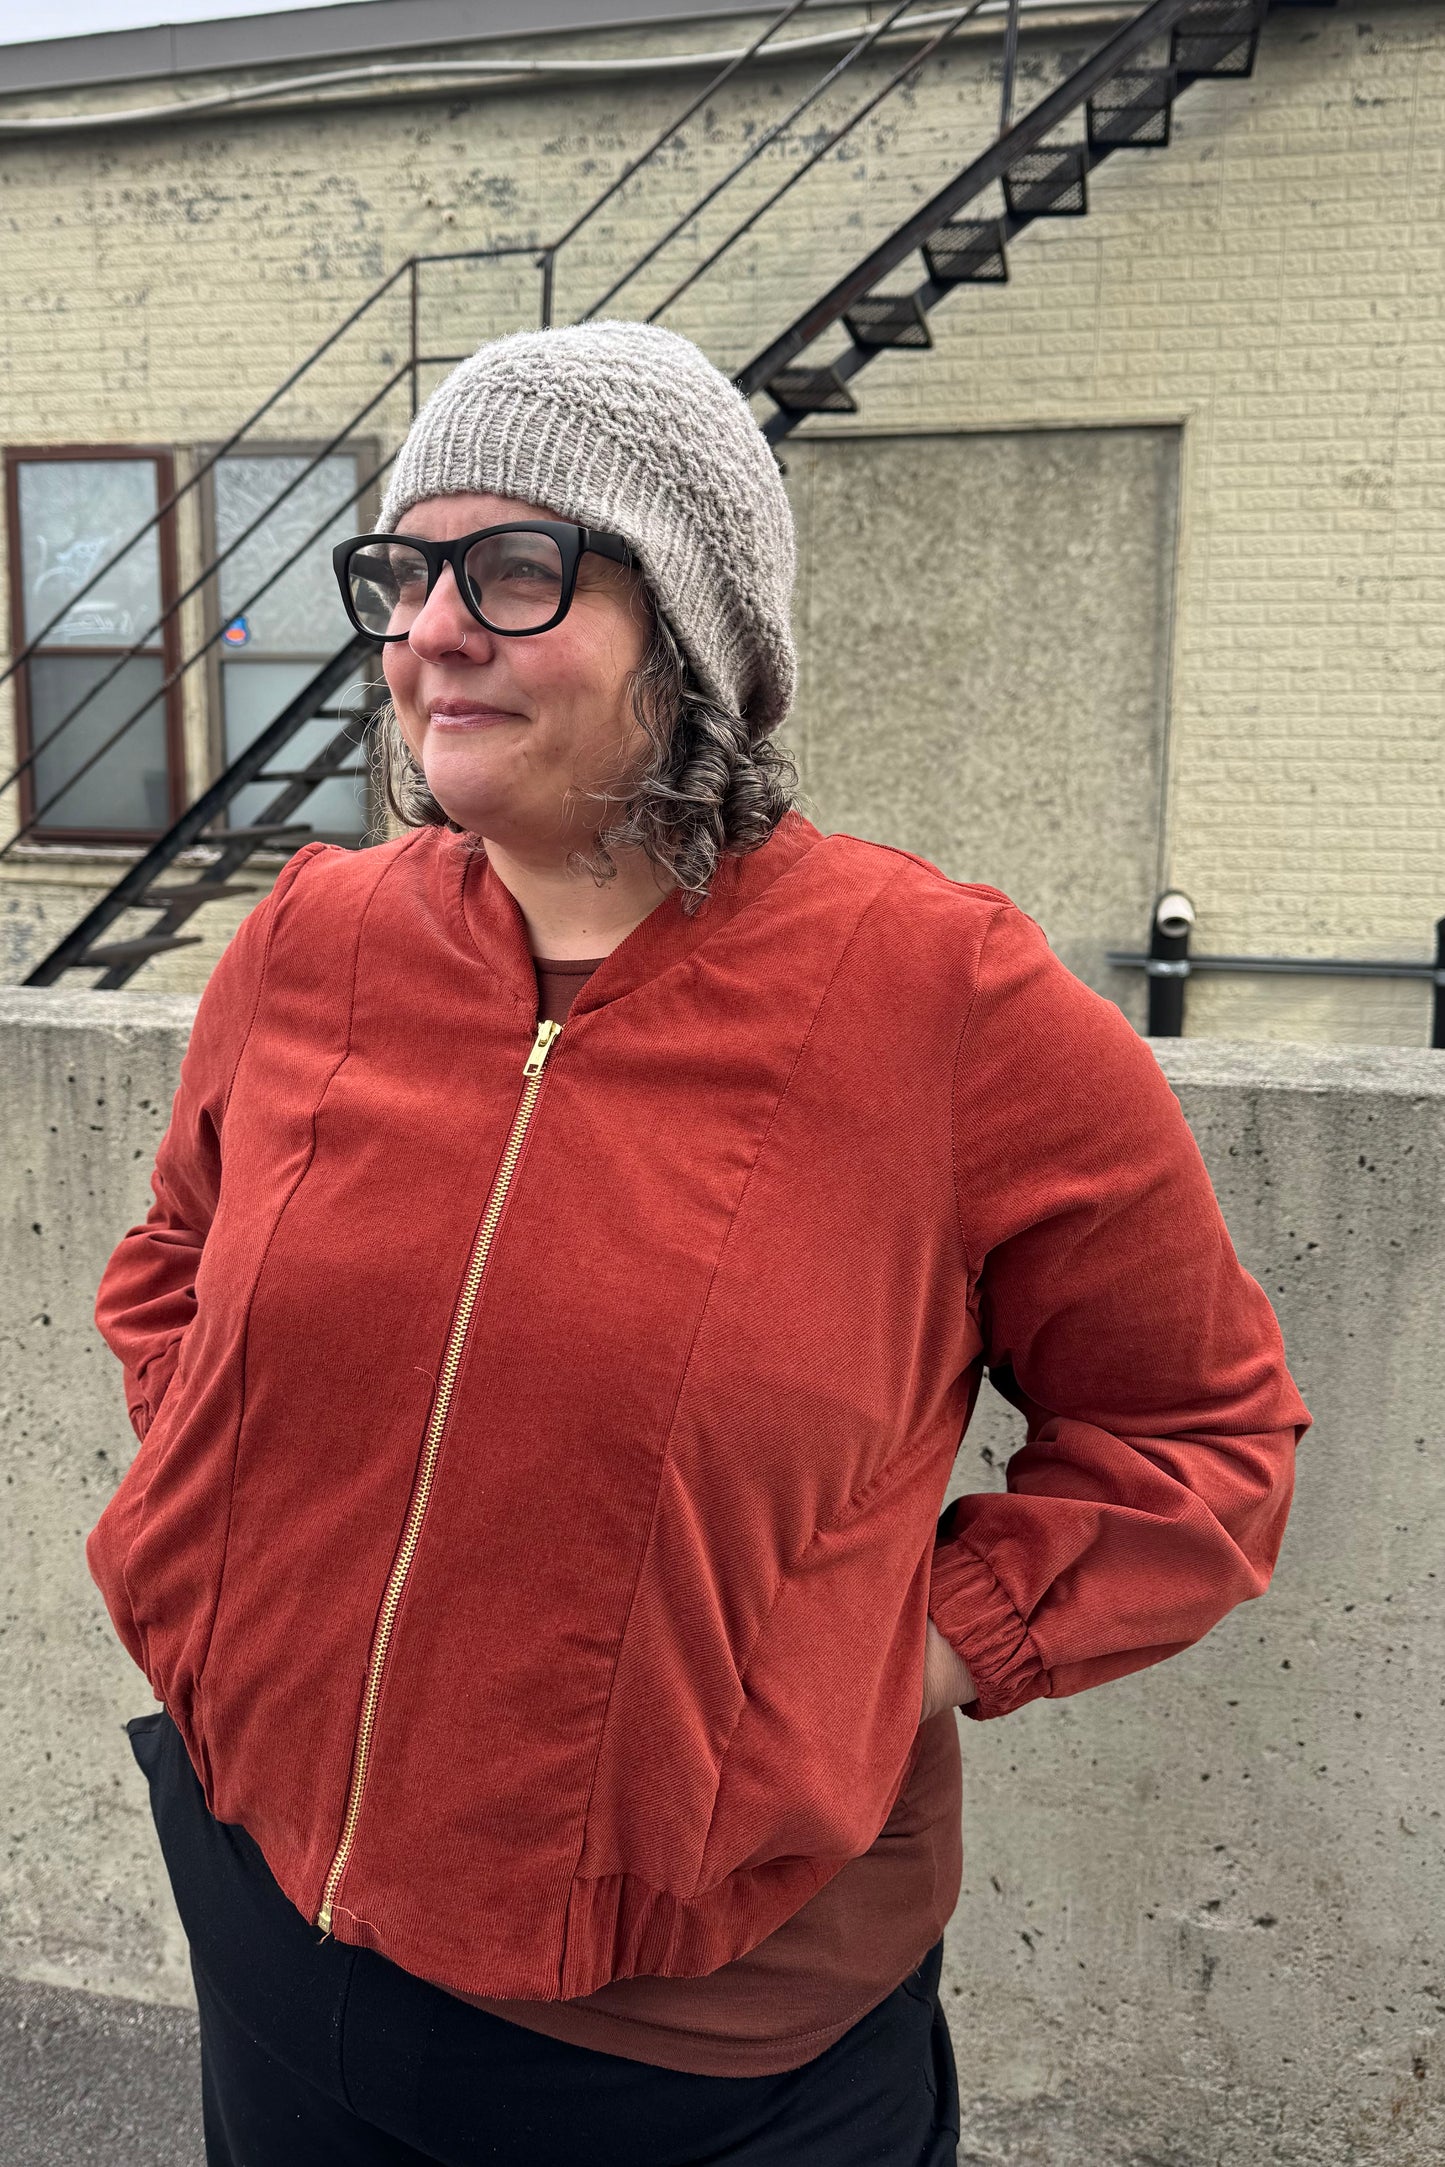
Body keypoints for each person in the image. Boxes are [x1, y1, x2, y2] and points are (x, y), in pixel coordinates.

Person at [87, 320, 1311, 2167]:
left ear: (696, 632)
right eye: (403, 573)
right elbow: (173, 1260)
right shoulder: (316, 937)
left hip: (716, 2039)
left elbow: (1200, 1443)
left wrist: (887, 1659)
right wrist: (233, 1554)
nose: (430, 631)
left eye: (515, 570)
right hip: (275, 1920)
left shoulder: (944, 998)